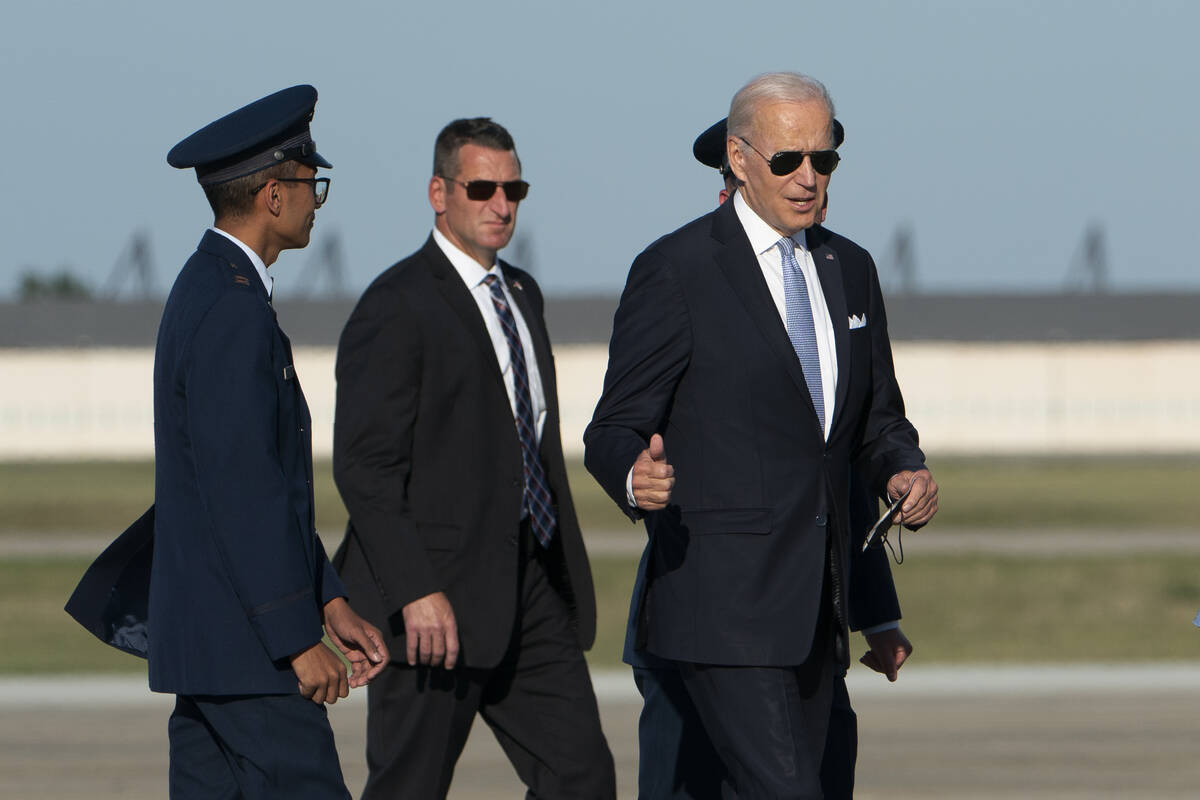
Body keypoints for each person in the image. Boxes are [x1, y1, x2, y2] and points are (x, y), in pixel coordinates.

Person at [585, 72, 938, 799]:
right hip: (723, 612)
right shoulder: (677, 269)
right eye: (788, 161)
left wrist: (902, 470)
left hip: (818, 614)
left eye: (824, 159)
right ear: (739, 159)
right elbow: (613, 426)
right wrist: (633, 476)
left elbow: (873, 423)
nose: (809, 178)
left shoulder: (852, 268)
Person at [68, 84, 389, 799]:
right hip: (251, 658)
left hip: (213, 651)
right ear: (274, 194)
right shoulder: (233, 309)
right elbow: (243, 489)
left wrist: (328, 599)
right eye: (311, 184)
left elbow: (253, 483)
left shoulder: (209, 286)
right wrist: (298, 638)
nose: (316, 200)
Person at [331, 117, 616, 800]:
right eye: (482, 187)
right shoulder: (397, 304)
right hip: (432, 604)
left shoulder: (521, 294)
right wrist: (414, 590)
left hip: (530, 586)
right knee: (410, 787)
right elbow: (364, 467)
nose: (501, 204)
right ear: (439, 192)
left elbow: (531, 442)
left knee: (583, 776)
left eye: (513, 188)